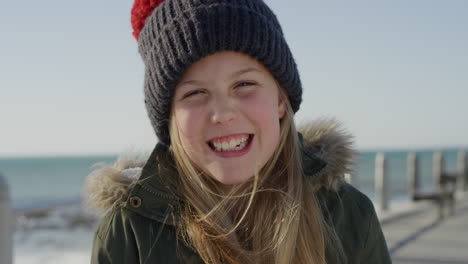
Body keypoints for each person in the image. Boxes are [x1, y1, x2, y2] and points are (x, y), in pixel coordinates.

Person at [85, 0, 391, 263]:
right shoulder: (128, 233)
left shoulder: (348, 216)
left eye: (244, 85)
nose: (222, 114)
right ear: (170, 118)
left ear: (281, 100)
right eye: (195, 93)